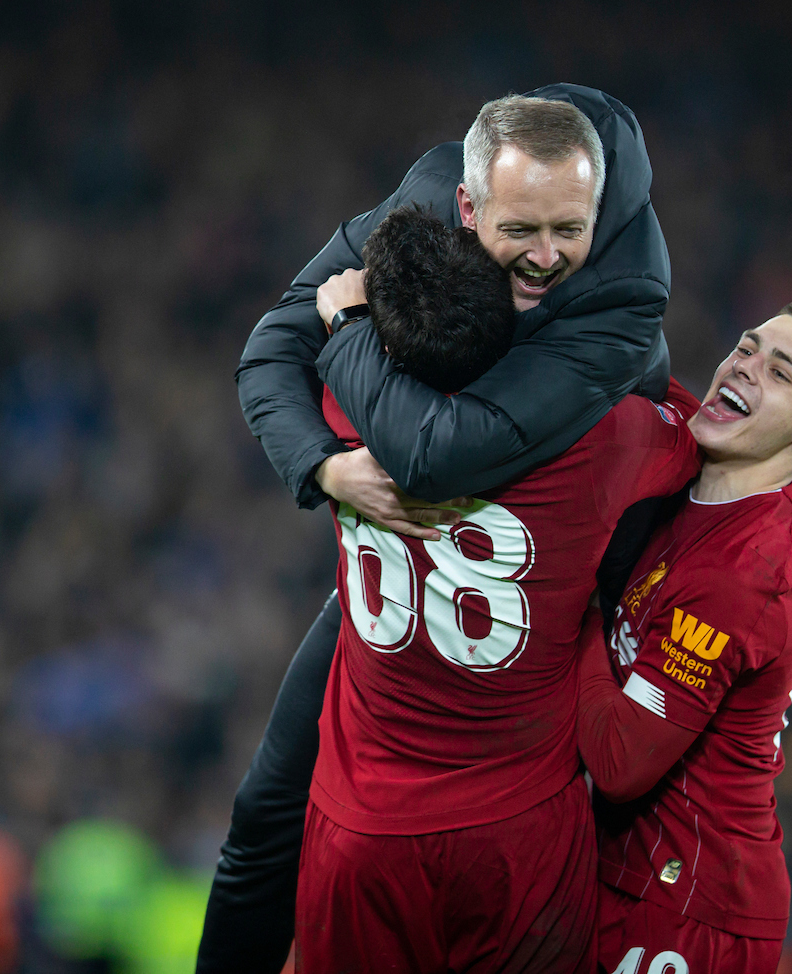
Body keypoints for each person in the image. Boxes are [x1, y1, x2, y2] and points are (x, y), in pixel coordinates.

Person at [199, 86, 671, 974]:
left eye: (569, 228)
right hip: (414, 582)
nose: (545, 257)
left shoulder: (625, 295)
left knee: (598, 825)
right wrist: (326, 469)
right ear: (465, 204)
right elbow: (269, 347)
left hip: (558, 598)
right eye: (519, 230)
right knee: (267, 814)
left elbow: (436, 459)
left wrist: (347, 331)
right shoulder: (418, 201)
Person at [297, 205, 701, 972]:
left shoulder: (344, 411)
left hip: (363, 826)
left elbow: (362, 356)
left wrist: (348, 320)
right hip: (517, 834)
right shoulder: (606, 439)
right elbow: (696, 435)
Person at [575, 303, 792, 974]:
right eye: (747, 348)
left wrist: (573, 608)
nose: (745, 367)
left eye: (780, 371)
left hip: (685, 910)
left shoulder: (743, 573)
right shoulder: (703, 455)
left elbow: (620, 761)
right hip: (625, 873)